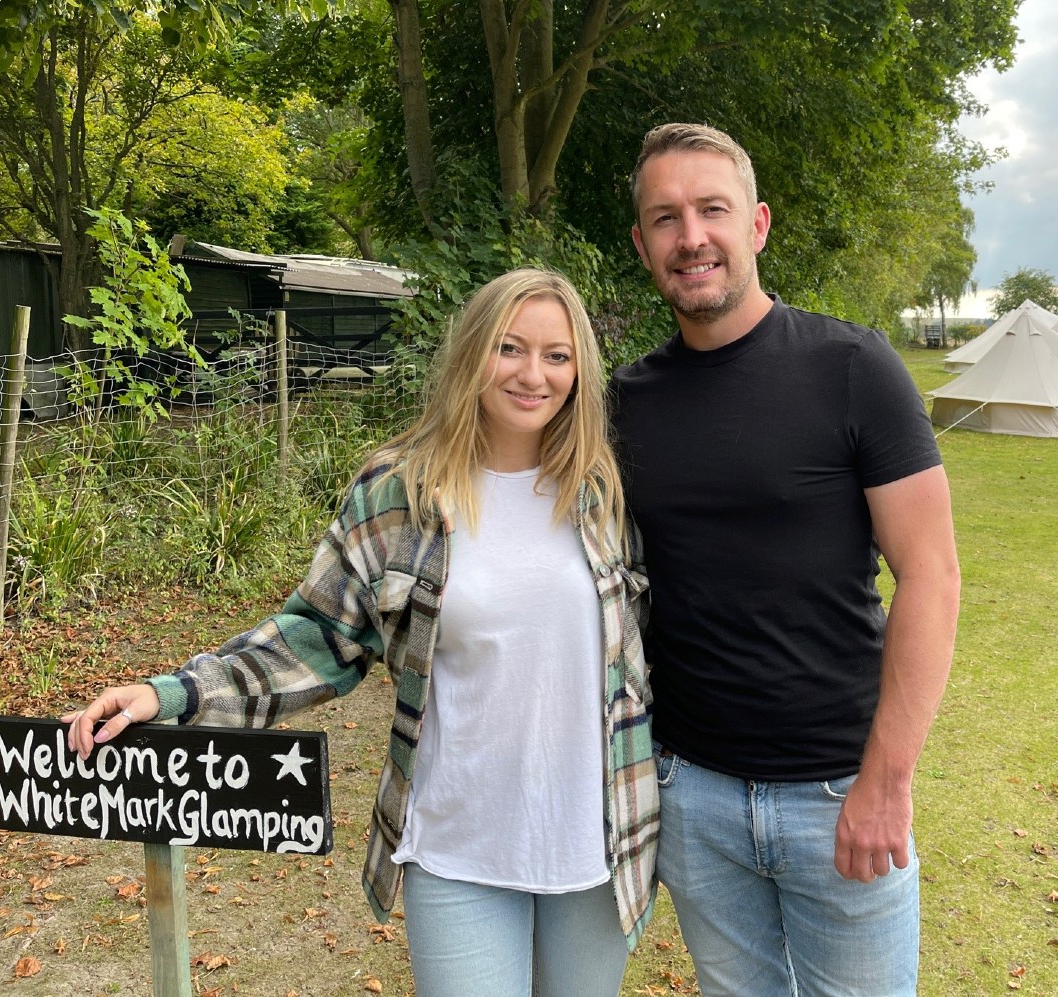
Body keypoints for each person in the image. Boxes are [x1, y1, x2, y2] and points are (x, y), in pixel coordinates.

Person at [63, 268, 657, 997]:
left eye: (557, 355)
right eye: (510, 347)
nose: (533, 374)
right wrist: (173, 694)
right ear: (473, 352)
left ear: (579, 368)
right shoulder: (399, 491)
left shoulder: (602, 491)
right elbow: (311, 637)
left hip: (595, 847)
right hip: (456, 845)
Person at [610, 123, 961, 996]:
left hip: (838, 793)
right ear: (643, 244)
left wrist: (886, 781)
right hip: (693, 796)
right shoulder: (624, 402)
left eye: (712, 209)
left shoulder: (853, 367)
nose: (691, 236)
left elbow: (932, 575)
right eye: (666, 217)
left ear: (757, 225)